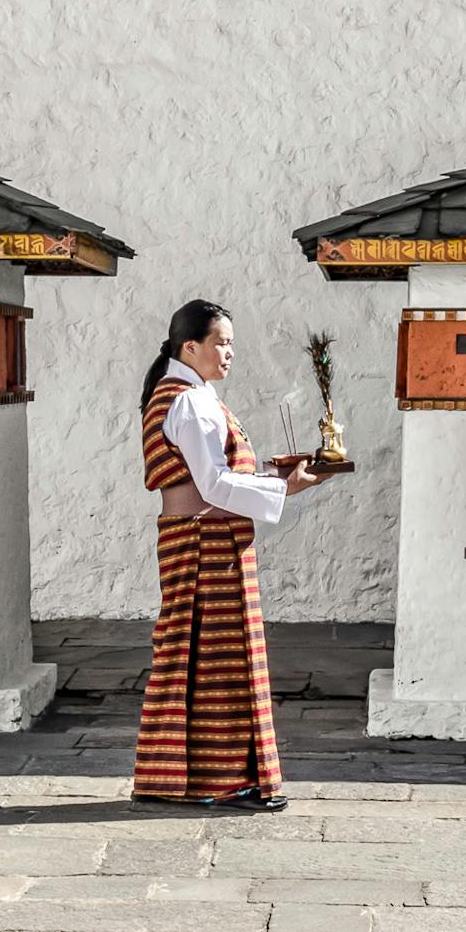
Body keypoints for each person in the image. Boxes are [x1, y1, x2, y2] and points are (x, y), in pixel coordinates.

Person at [133, 298, 339, 811]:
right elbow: (214, 484)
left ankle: (190, 780)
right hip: (205, 543)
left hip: (203, 539)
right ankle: (218, 782)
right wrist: (285, 489)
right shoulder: (189, 400)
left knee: (199, 659)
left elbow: (218, 480)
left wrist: (277, 478)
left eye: (231, 344)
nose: (229, 353)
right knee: (216, 662)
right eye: (221, 343)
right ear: (190, 347)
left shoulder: (188, 394)